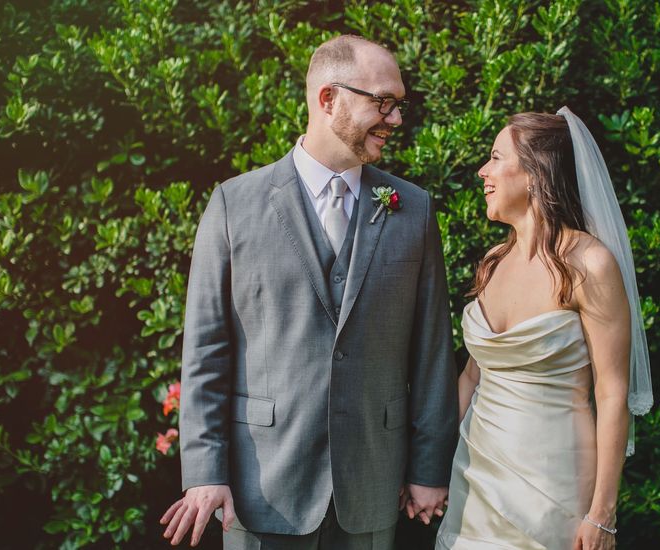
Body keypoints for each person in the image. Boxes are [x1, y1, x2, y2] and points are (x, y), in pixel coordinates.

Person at [159, 35, 459, 549]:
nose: (395, 119)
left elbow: (432, 352)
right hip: (262, 485)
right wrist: (205, 470)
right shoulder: (234, 204)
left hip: (371, 483)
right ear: (328, 99)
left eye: (399, 105)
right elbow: (206, 351)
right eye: (382, 102)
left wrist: (430, 466)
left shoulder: (412, 208)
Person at [435, 109, 653, 550]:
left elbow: (612, 394)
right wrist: (428, 466)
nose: (483, 171)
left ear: (536, 175)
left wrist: (603, 514)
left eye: (496, 158)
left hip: (552, 487)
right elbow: (472, 377)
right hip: (474, 478)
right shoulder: (494, 261)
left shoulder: (589, 264)